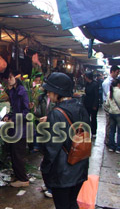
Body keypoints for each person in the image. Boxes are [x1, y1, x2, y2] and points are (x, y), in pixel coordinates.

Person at [41, 72, 90, 209]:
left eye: (50, 91)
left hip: (63, 172)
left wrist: (44, 169)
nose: (48, 94)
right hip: (80, 166)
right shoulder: (80, 106)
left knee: (63, 205)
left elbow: (52, 148)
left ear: (58, 92)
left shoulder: (56, 113)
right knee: (72, 203)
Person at [3, 70, 30, 188]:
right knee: (14, 153)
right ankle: (18, 176)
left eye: (10, 77)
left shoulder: (22, 92)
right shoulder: (12, 91)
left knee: (18, 154)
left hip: (21, 129)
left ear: (16, 78)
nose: (8, 80)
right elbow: (14, 109)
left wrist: (13, 119)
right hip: (15, 128)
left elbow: (26, 112)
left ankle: (23, 179)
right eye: (8, 78)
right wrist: (8, 116)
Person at [104, 79, 120, 154]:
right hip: (119, 114)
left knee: (112, 131)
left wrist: (110, 109)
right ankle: (119, 148)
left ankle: (111, 147)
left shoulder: (109, 93)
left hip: (112, 113)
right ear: (118, 84)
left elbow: (107, 104)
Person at [102, 65, 120, 145]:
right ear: (112, 71)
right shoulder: (107, 83)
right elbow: (108, 96)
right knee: (109, 123)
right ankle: (108, 141)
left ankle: (110, 140)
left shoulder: (113, 81)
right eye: (117, 72)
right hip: (108, 105)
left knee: (112, 123)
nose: (117, 74)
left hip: (111, 105)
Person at [84, 71, 99, 138]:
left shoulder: (95, 84)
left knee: (93, 118)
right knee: (86, 118)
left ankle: (93, 132)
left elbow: (96, 95)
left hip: (93, 104)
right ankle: (87, 131)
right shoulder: (87, 84)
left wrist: (95, 105)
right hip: (87, 103)